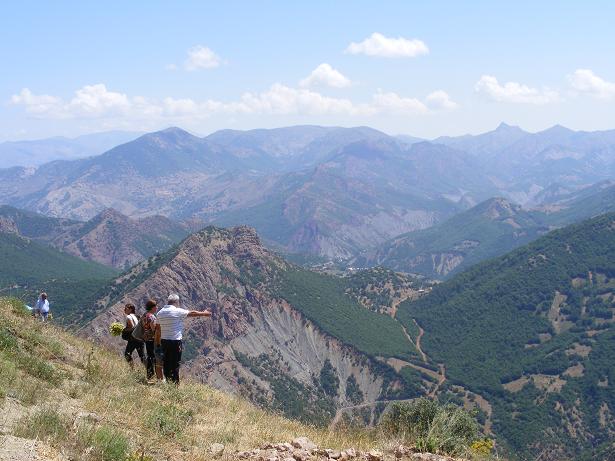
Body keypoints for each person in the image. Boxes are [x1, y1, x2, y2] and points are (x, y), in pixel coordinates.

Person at [156, 293, 211, 384]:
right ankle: (174, 385)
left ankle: (168, 382)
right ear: (176, 302)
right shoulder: (177, 311)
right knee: (175, 363)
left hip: (164, 341)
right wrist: (204, 313)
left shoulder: (160, 313)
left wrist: (158, 343)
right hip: (175, 342)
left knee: (166, 362)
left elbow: (158, 330)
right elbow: (192, 313)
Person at [142, 299, 161, 382]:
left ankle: (150, 374)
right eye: (156, 306)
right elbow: (154, 329)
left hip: (147, 338)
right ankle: (152, 375)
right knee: (153, 357)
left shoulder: (146, 315)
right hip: (152, 339)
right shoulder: (152, 317)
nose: (157, 308)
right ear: (152, 307)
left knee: (150, 356)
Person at [123, 303, 145, 367]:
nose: (124, 310)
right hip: (140, 339)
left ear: (130, 309)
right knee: (142, 356)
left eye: (126, 308)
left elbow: (132, 328)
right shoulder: (137, 316)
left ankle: (132, 369)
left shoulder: (129, 317)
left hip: (133, 339)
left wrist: (124, 330)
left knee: (127, 354)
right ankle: (150, 370)